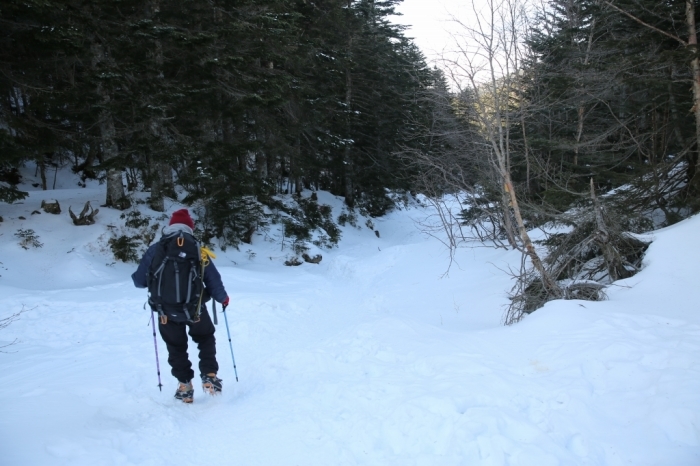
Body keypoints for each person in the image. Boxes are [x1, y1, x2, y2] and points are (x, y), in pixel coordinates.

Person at [132, 208, 229, 403]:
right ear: (190, 228)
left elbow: (139, 282)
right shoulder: (197, 249)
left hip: (165, 312)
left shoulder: (156, 249)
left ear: (170, 226)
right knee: (205, 337)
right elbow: (213, 279)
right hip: (195, 310)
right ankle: (209, 375)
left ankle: (185, 385)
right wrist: (223, 298)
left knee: (176, 347)